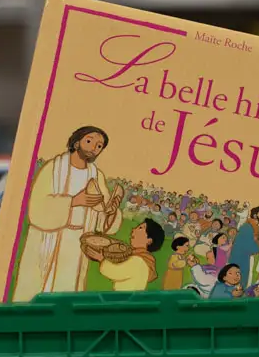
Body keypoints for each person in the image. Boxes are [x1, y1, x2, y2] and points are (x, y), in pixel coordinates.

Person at [12, 125, 123, 301]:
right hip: (48, 240)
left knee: (67, 290)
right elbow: (37, 207)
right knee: (38, 289)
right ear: (76, 143)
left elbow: (102, 215)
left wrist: (111, 212)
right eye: (89, 141)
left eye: (99, 146)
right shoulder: (53, 168)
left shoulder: (96, 176)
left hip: (77, 244)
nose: (94, 148)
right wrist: (74, 201)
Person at [91, 219, 162, 292]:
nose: (133, 229)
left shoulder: (138, 262)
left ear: (149, 241)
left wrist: (101, 259)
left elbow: (115, 272)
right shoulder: (139, 257)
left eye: (140, 228)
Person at [228, 205, 259, 278]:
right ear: (255, 215)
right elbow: (247, 244)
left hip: (243, 258)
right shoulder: (248, 227)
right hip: (239, 259)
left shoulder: (253, 227)